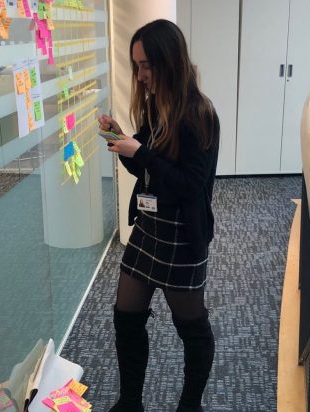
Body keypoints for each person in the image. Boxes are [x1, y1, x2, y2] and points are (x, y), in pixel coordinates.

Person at [98, 19, 220, 412]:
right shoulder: (156, 107)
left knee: (192, 329)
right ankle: (130, 402)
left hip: (183, 236)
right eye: (136, 66)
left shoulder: (199, 114)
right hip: (151, 229)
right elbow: (148, 172)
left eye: (146, 64)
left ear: (169, 60)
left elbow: (188, 185)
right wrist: (122, 141)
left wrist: (142, 153)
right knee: (125, 317)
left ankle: (190, 406)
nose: (140, 74)